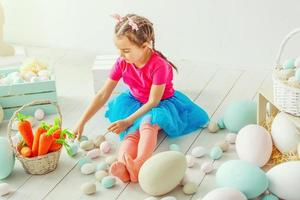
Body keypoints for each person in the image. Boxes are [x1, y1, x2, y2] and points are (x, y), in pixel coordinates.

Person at [73, 14, 209, 183]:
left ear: (145, 45)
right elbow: (102, 94)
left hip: (161, 104)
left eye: (126, 50)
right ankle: (124, 165)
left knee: (147, 124)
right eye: (119, 49)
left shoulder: (159, 66)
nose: (121, 55)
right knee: (131, 135)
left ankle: (139, 163)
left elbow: (153, 101)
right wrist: (82, 122)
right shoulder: (122, 62)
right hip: (134, 102)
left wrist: (128, 120)